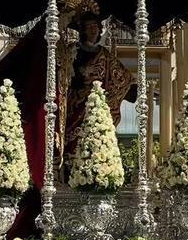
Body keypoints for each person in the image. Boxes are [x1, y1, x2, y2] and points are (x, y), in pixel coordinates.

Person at [58, 11, 135, 162]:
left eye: (96, 27)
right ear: (83, 31)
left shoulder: (104, 54)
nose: (93, 30)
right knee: (75, 137)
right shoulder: (73, 49)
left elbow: (121, 77)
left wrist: (133, 88)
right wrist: (81, 74)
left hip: (97, 102)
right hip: (77, 101)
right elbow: (65, 73)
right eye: (89, 27)